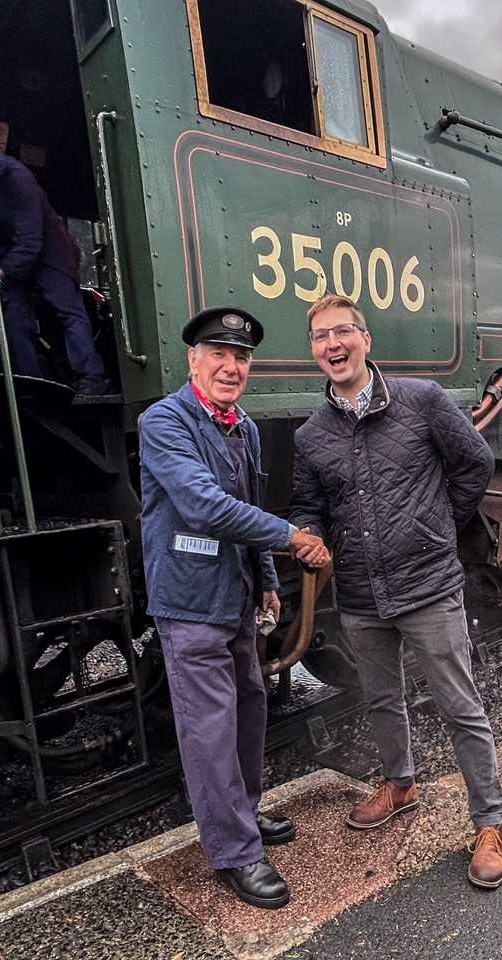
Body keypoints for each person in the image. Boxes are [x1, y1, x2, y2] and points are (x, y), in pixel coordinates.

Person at [288, 294, 502, 889]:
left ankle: (489, 820)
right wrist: (307, 533)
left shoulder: (423, 401)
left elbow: (475, 464)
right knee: (382, 699)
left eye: (342, 333)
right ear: (313, 351)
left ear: (366, 339)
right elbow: (309, 506)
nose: (332, 345)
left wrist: (437, 525)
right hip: (361, 594)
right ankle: (401, 783)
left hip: (428, 586)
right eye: (319, 337)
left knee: (460, 706)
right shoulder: (312, 436)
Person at [139, 306, 329, 909]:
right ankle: (234, 852)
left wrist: (268, 575)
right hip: (191, 600)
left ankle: (243, 816)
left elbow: (246, 503)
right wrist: (292, 538)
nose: (231, 366)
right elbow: (201, 505)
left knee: (250, 710)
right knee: (210, 730)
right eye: (218, 355)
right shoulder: (164, 422)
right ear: (193, 360)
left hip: (239, 595)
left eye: (241, 357)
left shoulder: (241, 428)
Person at [0, 120, 114, 399]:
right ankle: (32, 382)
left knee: (67, 309)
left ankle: (92, 378)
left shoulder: (16, 176)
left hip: (49, 251)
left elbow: (31, 241)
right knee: (12, 318)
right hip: (6, 256)